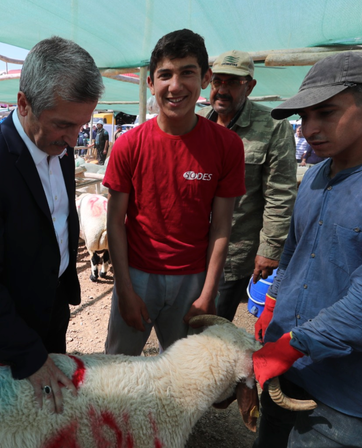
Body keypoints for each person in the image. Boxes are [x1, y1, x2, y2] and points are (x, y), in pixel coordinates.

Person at [0, 36, 104, 414]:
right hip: (6, 330)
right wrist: (27, 355)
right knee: (8, 419)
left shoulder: (59, 150)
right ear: (24, 103)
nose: (73, 140)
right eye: (64, 125)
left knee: (46, 417)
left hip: (51, 309)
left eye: (81, 126)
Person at [103, 29, 246, 355]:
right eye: (165, 75)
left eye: (187, 73)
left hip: (193, 280)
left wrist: (209, 292)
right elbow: (115, 222)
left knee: (187, 376)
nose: (176, 85)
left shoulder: (227, 146)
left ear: (206, 78)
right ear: (150, 83)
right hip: (137, 273)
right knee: (116, 370)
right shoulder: (129, 145)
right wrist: (124, 290)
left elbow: (222, 225)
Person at [252, 51, 362, 448]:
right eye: (304, 116)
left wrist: (295, 343)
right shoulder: (314, 175)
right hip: (287, 371)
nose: (309, 128)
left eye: (326, 112)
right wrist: (272, 303)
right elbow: (293, 252)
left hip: (340, 396)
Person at [198, 50, 297, 321]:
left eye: (233, 82)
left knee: (211, 328)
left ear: (250, 86)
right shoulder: (196, 123)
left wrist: (270, 248)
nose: (222, 89)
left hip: (234, 250)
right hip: (189, 248)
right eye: (218, 81)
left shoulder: (273, 126)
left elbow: (280, 193)